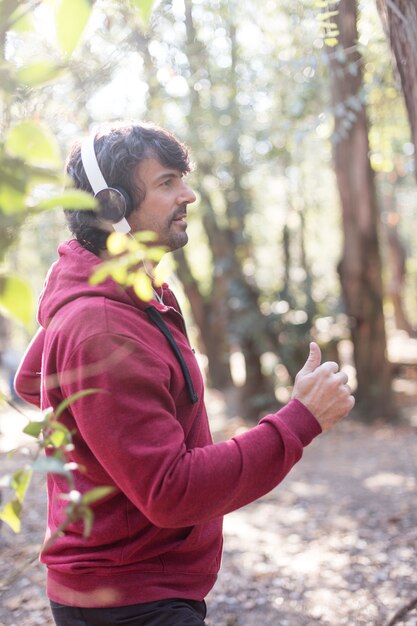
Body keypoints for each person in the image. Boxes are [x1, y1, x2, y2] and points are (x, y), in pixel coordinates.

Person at [14, 121, 355, 626]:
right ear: (112, 207)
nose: (188, 195)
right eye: (168, 182)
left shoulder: (118, 297)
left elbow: (33, 380)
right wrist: (300, 420)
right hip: (130, 602)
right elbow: (171, 492)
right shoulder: (103, 325)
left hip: (133, 586)